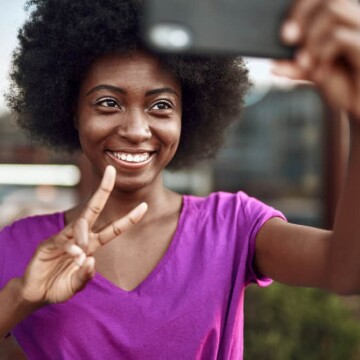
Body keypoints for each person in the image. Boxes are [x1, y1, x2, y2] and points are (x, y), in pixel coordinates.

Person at [1, 0, 360, 358]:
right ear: (73, 113)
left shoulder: (232, 226)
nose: (137, 130)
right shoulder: (18, 247)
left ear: (187, 117)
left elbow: (348, 270)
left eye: (160, 106)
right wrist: (20, 297)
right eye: (108, 103)